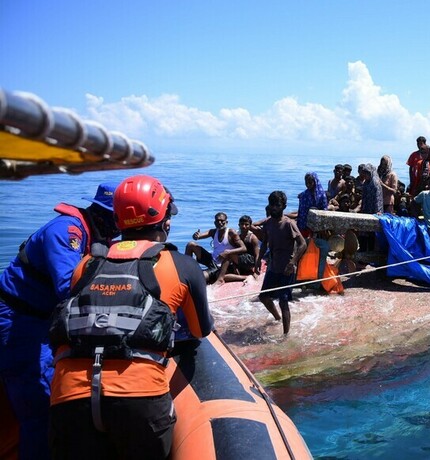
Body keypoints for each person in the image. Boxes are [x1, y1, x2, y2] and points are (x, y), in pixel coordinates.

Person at [48, 174, 213, 459]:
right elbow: (200, 331)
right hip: (139, 401)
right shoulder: (183, 266)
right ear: (165, 221)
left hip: (69, 400)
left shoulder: (86, 264)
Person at [0, 182, 119, 460]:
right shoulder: (67, 232)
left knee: (53, 397)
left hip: (42, 320)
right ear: (105, 215)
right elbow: (68, 286)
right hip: (18, 322)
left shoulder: (95, 235)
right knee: (40, 407)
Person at [255, 191, 307, 336]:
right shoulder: (268, 223)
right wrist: (258, 260)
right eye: (271, 205)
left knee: (283, 301)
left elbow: (302, 244)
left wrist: (292, 262)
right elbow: (265, 242)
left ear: (283, 206)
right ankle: (277, 318)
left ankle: (285, 335)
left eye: (277, 205)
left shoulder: (289, 224)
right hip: (273, 266)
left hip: (287, 269)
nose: (273, 208)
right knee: (264, 297)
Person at [185, 212, 246, 283]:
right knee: (191, 245)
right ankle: (187, 271)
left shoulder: (231, 233)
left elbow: (243, 248)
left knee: (199, 278)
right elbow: (198, 237)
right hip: (212, 260)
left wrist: (227, 252)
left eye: (222, 221)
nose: (220, 223)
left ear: (226, 222)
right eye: (218, 221)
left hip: (223, 265)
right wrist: (196, 236)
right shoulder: (213, 232)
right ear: (214, 222)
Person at [217, 215, 261, 283]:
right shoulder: (237, 235)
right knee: (221, 275)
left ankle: (221, 279)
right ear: (239, 225)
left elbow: (257, 254)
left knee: (228, 253)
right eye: (242, 224)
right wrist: (235, 266)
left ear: (250, 226)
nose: (244, 226)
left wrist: (256, 270)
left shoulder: (252, 238)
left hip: (249, 260)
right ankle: (243, 276)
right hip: (239, 260)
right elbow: (235, 249)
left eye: (246, 225)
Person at [293, 172, 328, 238]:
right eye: (306, 183)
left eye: (310, 182)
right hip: (303, 223)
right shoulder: (304, 194)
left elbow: (324, 211)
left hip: (316, 224)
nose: (308, 185)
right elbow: (301, 211)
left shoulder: (321, 195)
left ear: (315, 182)